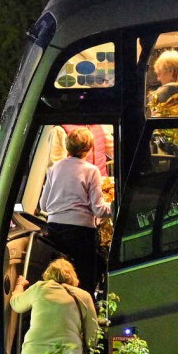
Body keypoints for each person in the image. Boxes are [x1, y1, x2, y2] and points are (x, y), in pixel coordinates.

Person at [36, 126, 109, 295]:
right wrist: (116, 206)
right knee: (86, 278)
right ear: (89, 148)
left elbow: (44, 206)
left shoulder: (54, 169)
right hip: (81, 232)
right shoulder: (92, 171)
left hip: (55, 230)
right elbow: (98, 210)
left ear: (68, 146)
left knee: (61, 277)